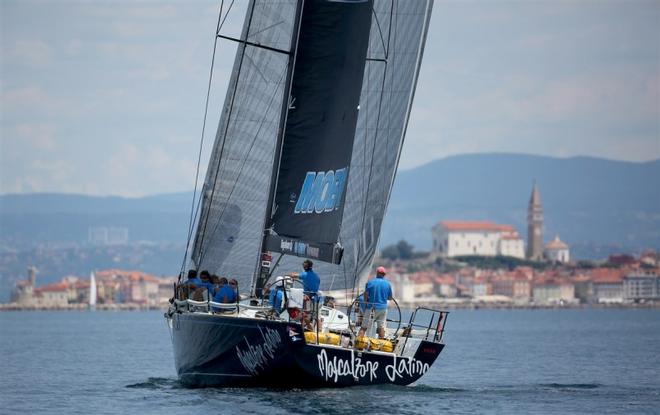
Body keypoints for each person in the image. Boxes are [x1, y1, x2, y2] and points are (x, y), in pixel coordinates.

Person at [359, 266, 393, 340]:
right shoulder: (388, 284)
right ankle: (381, 345)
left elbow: (366, 295)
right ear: (384, 274)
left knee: (364, 327)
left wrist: (366, 301)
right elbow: (390, 298)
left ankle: (359, 343)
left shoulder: (370, 283)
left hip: (371, 308)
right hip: (383, 309)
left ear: (377, 273)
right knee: (381, 328)